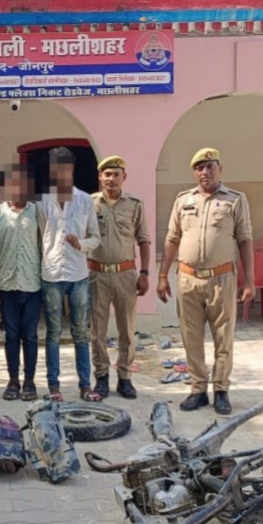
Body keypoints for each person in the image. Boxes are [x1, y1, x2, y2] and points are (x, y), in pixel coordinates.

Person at [156, 148, 254, 415]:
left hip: (222, 278)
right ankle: (198, 389)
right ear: (194, 172)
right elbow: (172, 239)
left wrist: (249, 281)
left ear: (220, 168)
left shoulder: (235, 200)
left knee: (224, 336)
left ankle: (221, 390)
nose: (205, 172)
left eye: (210, 166)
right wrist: (162, 276)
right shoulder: (183, 200)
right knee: (191, 336)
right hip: (187, 279)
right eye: (199, 167)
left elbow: (245, 240)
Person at [37, 147, 101, 402]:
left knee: (80, 332)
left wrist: (81, 244)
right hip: (51, 275)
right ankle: (54, 386)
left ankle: (85, 385)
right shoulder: (42, 201)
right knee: (53, 333)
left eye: (64, 166)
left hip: (78, 275)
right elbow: (39, 237)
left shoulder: (85, 200)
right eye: (56, 167)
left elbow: (95, 237)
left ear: (71, 168)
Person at [87, 155, 152, 400]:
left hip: (126, 274)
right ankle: (101, 377)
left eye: (116, 174)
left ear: (124, 177)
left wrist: (144, 273)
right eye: (107, 174)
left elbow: (143, 240)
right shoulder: (89, 203)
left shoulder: (135, 204)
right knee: (98, 331)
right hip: (97, 275)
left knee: (127, 329)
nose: (111, 179)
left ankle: (125, 378)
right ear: (100, 177)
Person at [0, 164, 42, 401]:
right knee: (11, 335)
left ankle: (29, 381)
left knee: (30, 336)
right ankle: (13, 380)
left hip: (33, 284)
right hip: (6, 286)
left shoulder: (37, 212)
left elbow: (44, 246)